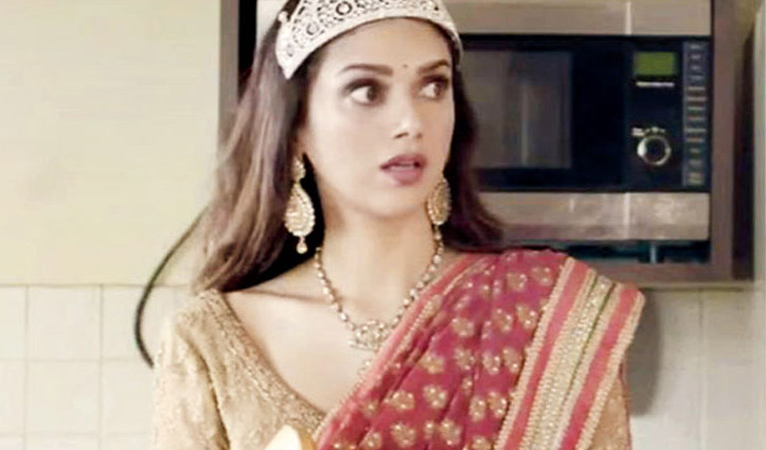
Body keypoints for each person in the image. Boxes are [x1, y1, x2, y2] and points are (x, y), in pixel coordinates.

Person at [151, 0, 645, 449]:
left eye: (433, 87)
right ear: (296, 125)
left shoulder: (545, 319)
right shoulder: (211, 342)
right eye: (367, 91)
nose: (411, 121)